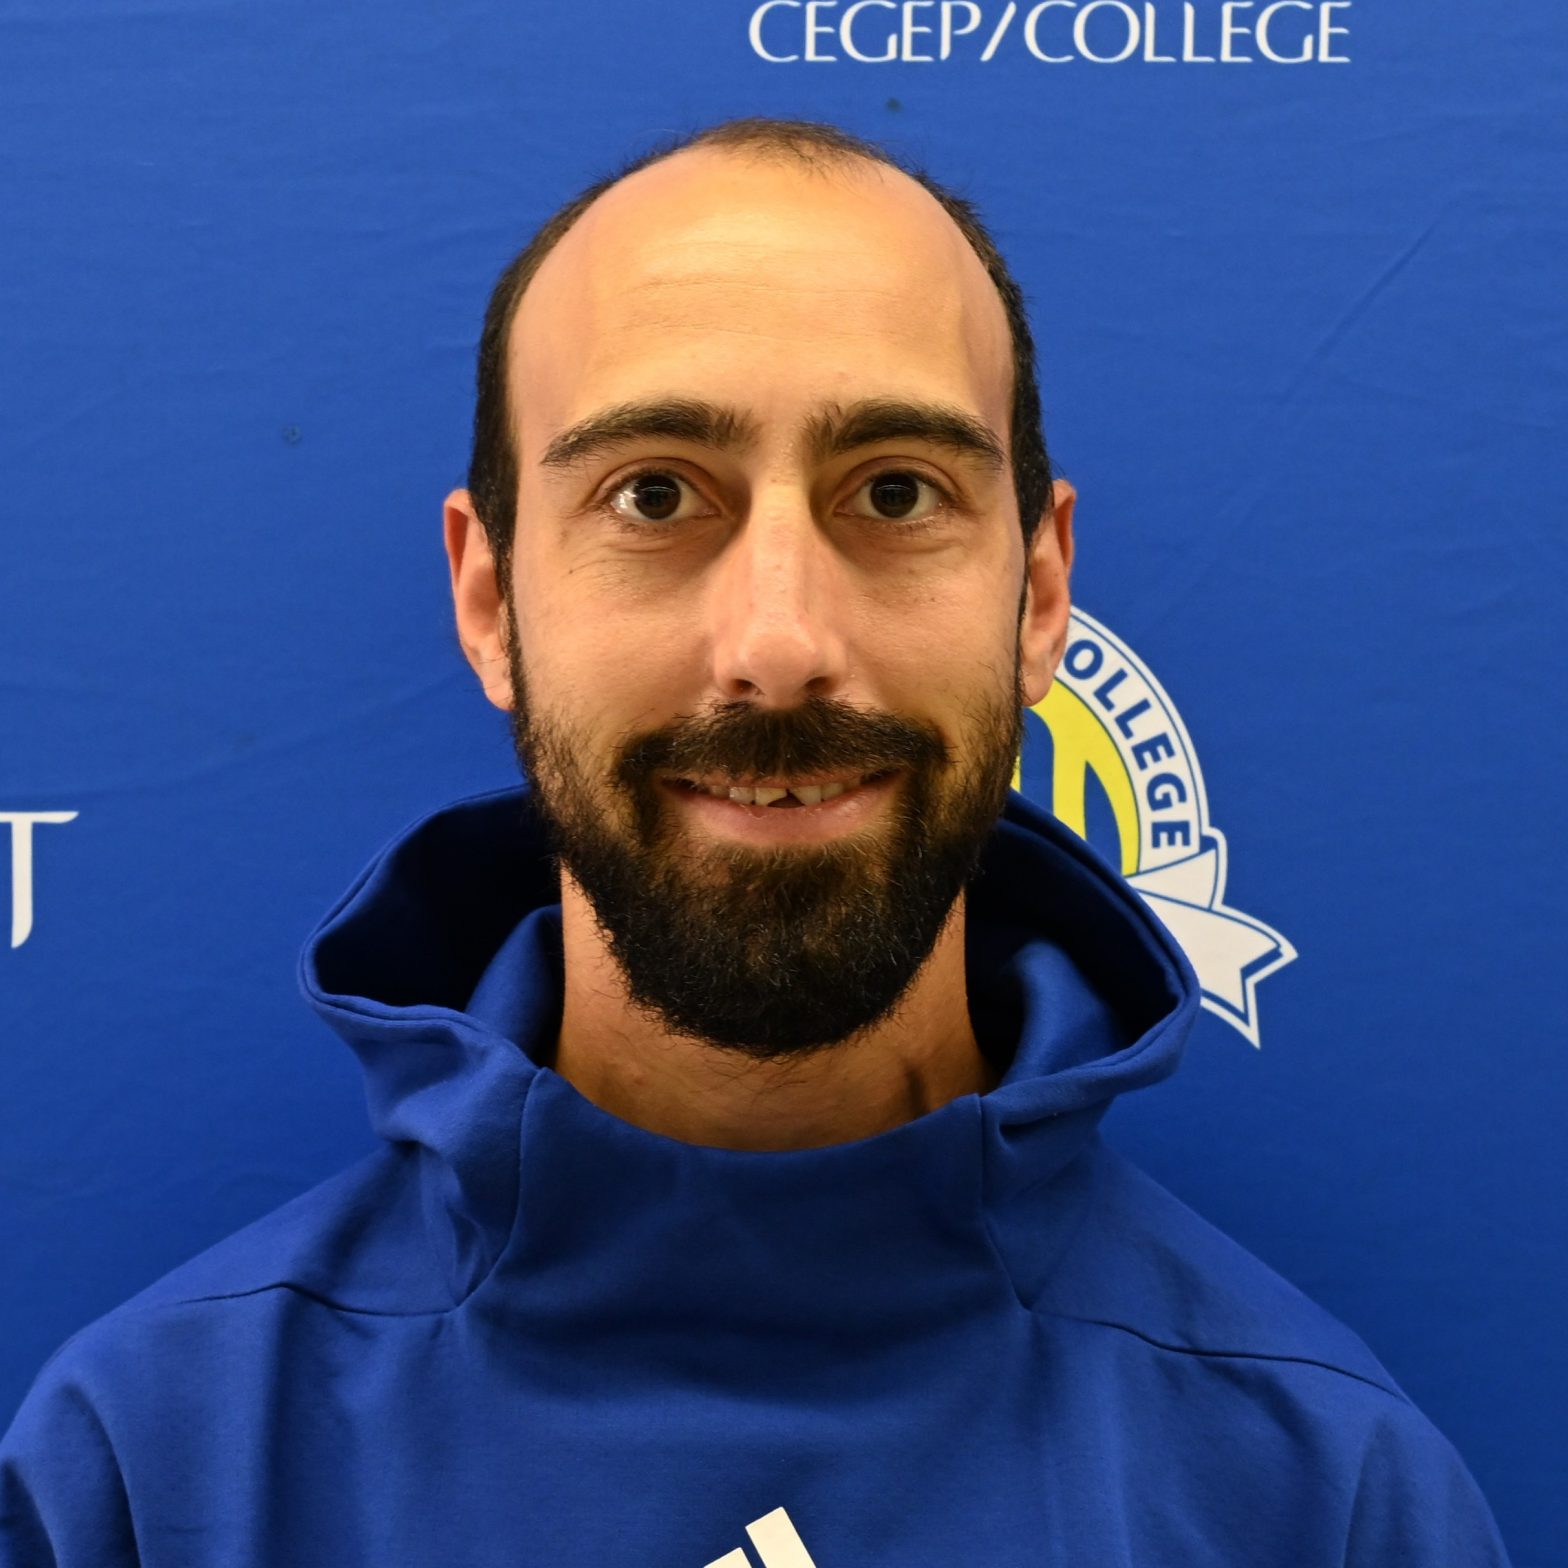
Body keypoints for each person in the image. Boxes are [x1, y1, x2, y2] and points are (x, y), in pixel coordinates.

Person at [0, 117, 1510, 1567]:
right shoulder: (153, 1477)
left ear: (1040, 595)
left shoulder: (1322, 1500)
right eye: (654, 494)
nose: (780, 644)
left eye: (897, 492)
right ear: (490, 600)